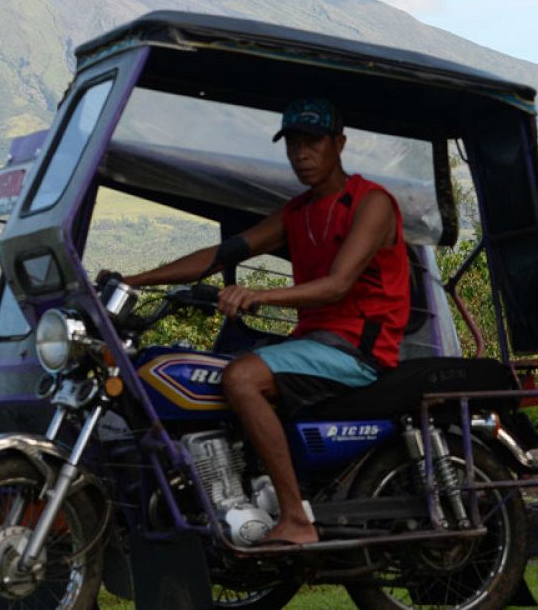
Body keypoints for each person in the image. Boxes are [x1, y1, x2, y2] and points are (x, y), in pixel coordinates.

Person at [112, 98, 411, 547]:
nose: (301, 154)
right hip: (314, 343)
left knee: (242, 376)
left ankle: (296, 519)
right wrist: (135, 279)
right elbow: (219, 256)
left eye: (313, 142)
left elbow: (336, 286)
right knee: (209, 371)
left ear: (339, 144)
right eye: (293, 144)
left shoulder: (371, 204)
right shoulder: (297, 212)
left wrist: (259, 294)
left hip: (358, 348)